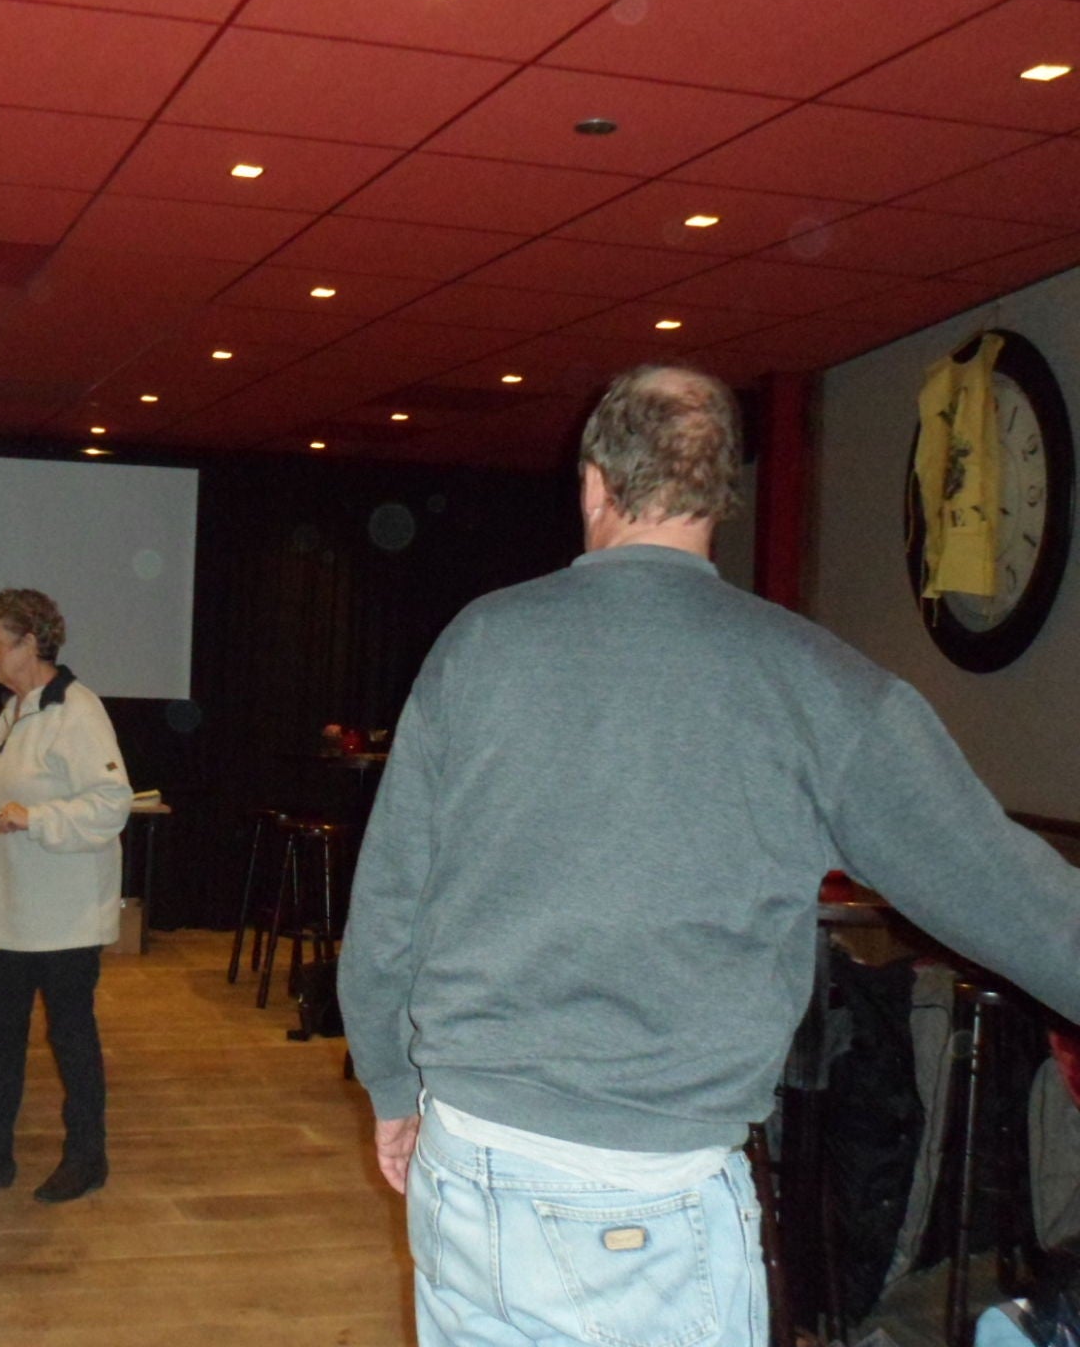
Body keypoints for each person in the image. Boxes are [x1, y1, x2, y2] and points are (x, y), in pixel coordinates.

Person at [338, 363, 1080, 1347]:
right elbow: (1018, 902)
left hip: (467, 1159)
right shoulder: (818, 684)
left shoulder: (479, 643)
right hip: (647, 1197)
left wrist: (393, 1086)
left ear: (594, 483)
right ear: (722, 497)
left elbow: (390, 904)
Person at [0, 588, 132, 1203]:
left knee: (72, 1039)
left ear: (31, 643)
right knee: (0, 1041)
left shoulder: (77, 710)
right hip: (13, 912)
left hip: (65, 916)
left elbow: (110, 804)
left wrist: (37, 819)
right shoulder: (16, 711)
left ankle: (88, 1158)